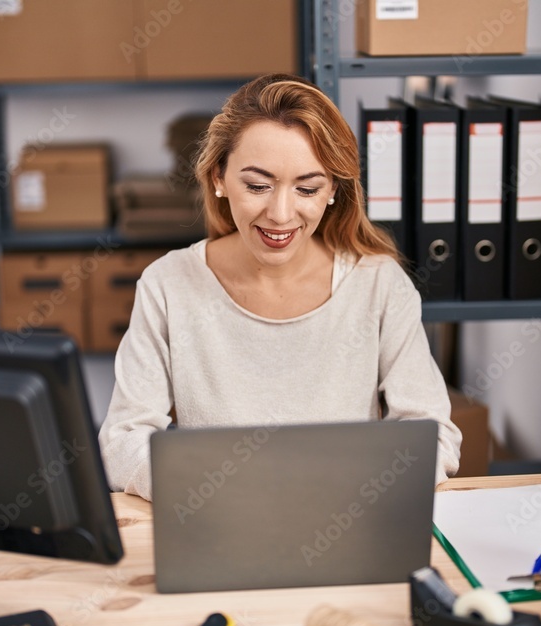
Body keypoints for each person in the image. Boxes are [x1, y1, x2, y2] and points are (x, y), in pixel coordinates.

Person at [99, 73, 461, 500]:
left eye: (307, 188)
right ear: (218, 178)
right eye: (257, 186)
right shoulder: (168, 285)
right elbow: (124, 440)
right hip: (216, 519)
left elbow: (433, 435)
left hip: (345, 520)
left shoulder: (379, 285)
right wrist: (205, 489)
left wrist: (355, 488)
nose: (281, 213)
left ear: (331, 192)